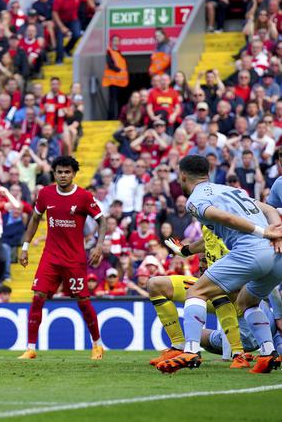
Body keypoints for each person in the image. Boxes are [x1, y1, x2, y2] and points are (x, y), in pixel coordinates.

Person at [156, 155, 282, 374]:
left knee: (196, 291)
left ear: (183, 175)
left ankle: (191, 349)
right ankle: (268, 354)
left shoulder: (195, 200)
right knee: (247, 302)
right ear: (208, 173)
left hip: (251, 250)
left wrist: (263, 232)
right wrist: (276, 232)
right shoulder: (231, 190)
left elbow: (227, 219)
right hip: (276, 254)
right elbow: (271, 210)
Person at [18, 156, 107, 360]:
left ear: (74, 174)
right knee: (38, 297)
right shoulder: (45, 194)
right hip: (50, 256)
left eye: (67, 172)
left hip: (74, 259)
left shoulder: (83, 196)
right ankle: (30, 348)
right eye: (59, 172)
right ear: (54, 173)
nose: (63, 175)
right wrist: (25, 247)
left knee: (83, 300)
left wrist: (99, 245)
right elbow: (34, 219)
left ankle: (97, 345)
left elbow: (102, 221)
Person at [148, 226, 249, 369]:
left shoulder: (237, 225)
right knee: (155, 285)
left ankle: (239, 353)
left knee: (219, 288)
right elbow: (207, 241)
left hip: (241, 304)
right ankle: (178, 347)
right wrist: (185, 250)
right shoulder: (210, 225)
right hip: (210, 287)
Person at [102, 35, 129, 120]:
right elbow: (110, 65)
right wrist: (119, 70)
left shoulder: (119, 53)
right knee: (113, 100)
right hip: (112, 81)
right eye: (114, 40)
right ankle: (112, 117)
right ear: (111, 42)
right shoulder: (109, 52)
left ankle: (118, 116)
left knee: (119, 100)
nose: (116, 42)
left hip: (120, 82)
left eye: (118, 41)